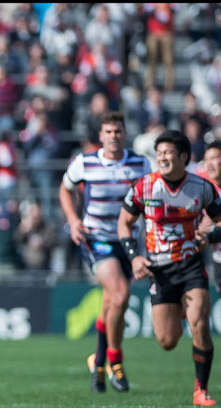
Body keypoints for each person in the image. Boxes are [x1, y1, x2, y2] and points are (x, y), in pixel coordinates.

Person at [118, 129, 221, 406]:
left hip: (191, 266)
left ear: (183, 157)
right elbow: (123, 224)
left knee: (201, 326)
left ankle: (201, 389)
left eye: (168, 153)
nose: (163, 158)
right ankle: (176, 311)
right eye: (159, 153)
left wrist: (211, 237)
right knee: (167, 341)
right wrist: (134, 257)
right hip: (159, 269)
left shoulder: (201, 187)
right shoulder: (144, 187)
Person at [58, 112, 151, 393]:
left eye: (117, 131)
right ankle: (116, 362)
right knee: (121, 294)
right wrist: (73, 221)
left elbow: (151, 198)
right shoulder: (85, 162)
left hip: (127, 241)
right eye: (108, 131)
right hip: (96, 238)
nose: (113, 136)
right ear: (100, 136)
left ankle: (97, 361)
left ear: (125, 133)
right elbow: (65, 188)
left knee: (112, 303)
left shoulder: (140, 163)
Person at [196, 141, 221, 311]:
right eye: (206, 159)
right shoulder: (201, 187)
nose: (209, 163)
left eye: (214, 158)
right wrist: (200, 229)